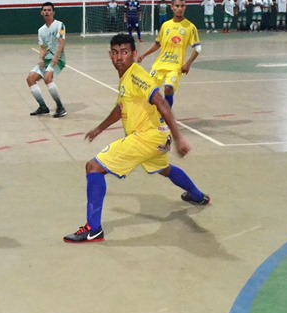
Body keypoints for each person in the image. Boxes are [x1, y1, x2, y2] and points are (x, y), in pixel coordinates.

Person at [63, 33, 208, 243]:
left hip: (146, 138)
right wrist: (99, 129)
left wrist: (180, 138)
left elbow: (162, 102)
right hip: (158, 139)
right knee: (164, 169)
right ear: (109, 55)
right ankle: (197, 196)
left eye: (124, 52)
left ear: (134, 54)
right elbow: (120, 108)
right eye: (114, 53)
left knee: (93, 167)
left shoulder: (137, 75)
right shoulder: (126, 78)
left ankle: (93, 229)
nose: (119, 57)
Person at [135, 0, 200, 109]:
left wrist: (188, 64)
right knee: (148, 90)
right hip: (160, 64)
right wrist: (144, 55)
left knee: (168, 89)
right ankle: (148, 116)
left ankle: (165, 118)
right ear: (172, 7)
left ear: (185, 7)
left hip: (175, 66)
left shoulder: (190, 27)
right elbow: (157, 43)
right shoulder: (165, 25)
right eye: (177, 6)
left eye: (182, 6)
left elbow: (197, 48)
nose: (180, 8)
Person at [26, 2, 68, 118]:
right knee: (30, 78)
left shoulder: (60, 25)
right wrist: (40, 59)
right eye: (45, 10)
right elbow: (43, 48)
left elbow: (61, 43)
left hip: (58, 59)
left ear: (53, 12)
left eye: (49, 10)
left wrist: (55, 58)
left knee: (48, 77)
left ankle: (60, 107)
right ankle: (43, 107)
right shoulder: (41, 30)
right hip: (47, 59)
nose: (47, 12)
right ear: (41, 13)